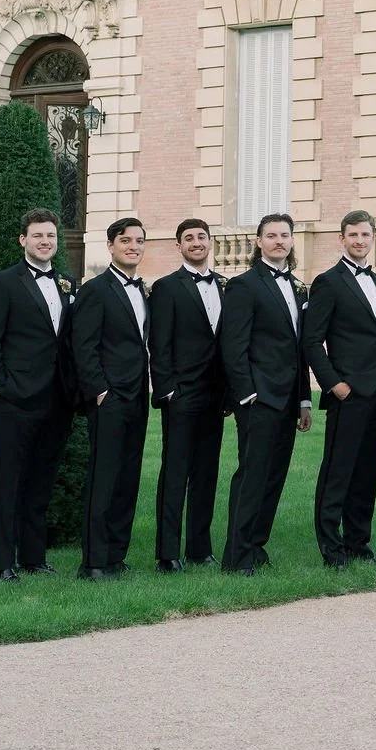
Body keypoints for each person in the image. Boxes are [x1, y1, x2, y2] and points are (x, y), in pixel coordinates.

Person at [0, 207, 77, 581]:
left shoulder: (68, 282)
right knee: (9, 484)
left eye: (50, 236)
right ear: (23, 240)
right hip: (16, 401)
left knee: (41, 484)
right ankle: (2, 563)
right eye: (38, 236)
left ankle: (34, 558)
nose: (45, 241)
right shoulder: (3, 283)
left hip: (57, 401)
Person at [218, 213, 313, 574]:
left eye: (284, 235)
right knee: (252, 475)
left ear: (291, 241)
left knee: (274, 476)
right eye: (270, 235)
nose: (278, 241)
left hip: (288, 398)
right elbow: (233, 346)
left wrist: (304, 399)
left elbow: (299, 348)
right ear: (258, 242)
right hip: (258, 398)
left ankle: (256, 547)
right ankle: (236, 556)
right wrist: (247, 394)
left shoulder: (297, 287)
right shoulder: (244, 285)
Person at [304, 209, 376, 569]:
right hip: (348, 392)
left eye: (365, 235)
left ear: (373, 239)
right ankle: (331, 548)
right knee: (338, 472)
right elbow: (311, 341)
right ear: (342, 238)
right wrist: (334, 384)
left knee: (367, 472)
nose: (359, 241)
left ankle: (359, 542)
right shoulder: (328, 281)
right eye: (353, 235)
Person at [72, 217, 152, 580]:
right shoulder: (96, 290)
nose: (133, 247)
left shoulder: (143, 289)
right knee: (104, 478)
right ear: (111, 246)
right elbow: (83, 346)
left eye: (138, 241)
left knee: (128, 478)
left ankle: (117, 556)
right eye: (126, 241)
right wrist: (100, 391)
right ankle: (93, 561)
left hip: (137, 396)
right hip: (110, 397)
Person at [148, 219, 227, 571]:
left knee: (207, 472)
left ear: (210, 243)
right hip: (181, 394)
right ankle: (168, 553)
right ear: (178, 246)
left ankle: (199, 548)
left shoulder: (226, 287)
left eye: (201, 237)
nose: (196, 243)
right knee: (175, 472)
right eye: (189, 238)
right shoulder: (166, 288)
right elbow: (159, 344)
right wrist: (167, 391)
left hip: (216, 396)